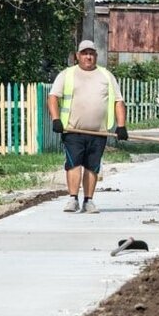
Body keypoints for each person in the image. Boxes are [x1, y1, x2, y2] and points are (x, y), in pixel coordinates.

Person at [47, 40, 128, 214]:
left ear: (96, 56)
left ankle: (88, 201)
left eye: (91, 53)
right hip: (73, 130)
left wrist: (121, 126)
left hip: (98, 132)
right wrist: (56, 119)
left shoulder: (106, 76)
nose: (88, 57)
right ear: (78, 56)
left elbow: (118, 101)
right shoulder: (67, 75)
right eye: (84, 53)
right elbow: (53, 97)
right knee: (74, 163)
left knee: (93, 166)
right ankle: (72, 199)